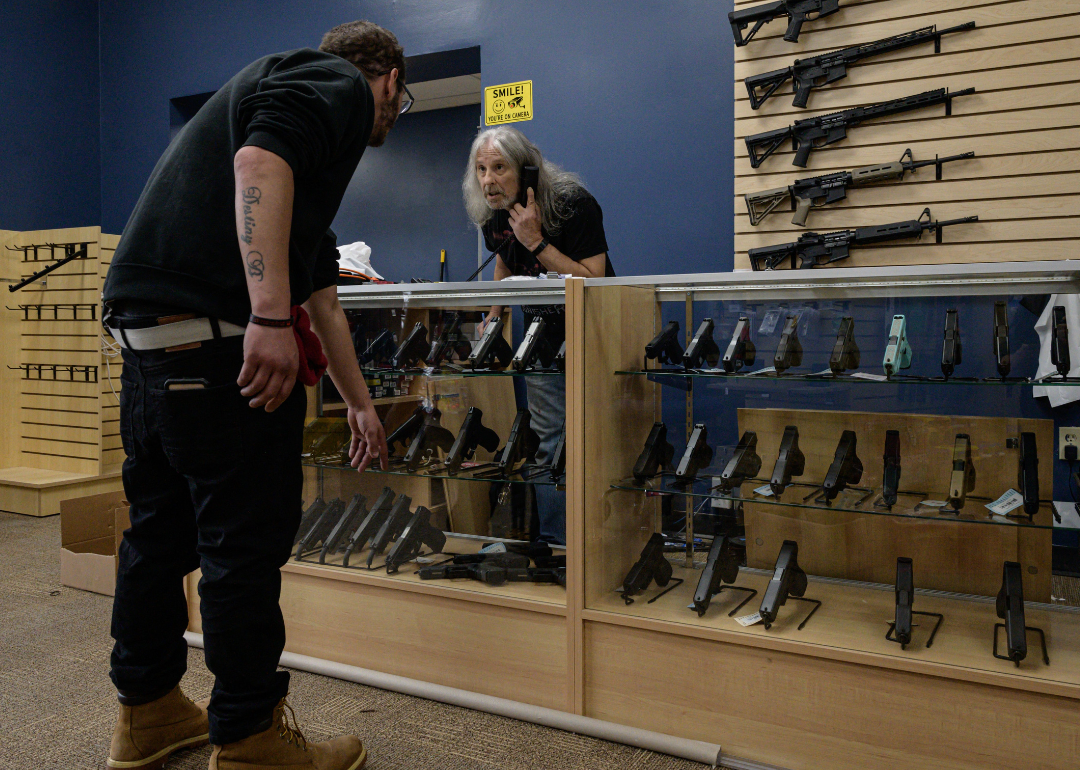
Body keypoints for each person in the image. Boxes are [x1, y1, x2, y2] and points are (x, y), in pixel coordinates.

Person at [100, 20, 404, 770]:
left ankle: (146, 713)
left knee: (157, 537)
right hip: (220, 344)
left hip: (149, 344)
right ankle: (249, 737)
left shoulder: (304, 161)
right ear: (390, 79)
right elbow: (258, 160)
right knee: (242, 545)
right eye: (400, 99)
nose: (395, 115)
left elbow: (324, 298)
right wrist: (268, 316)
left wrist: (359, 403)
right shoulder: (333, 82)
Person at [463, 126, 614, 545]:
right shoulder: (493, 215)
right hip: (543, 343)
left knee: (600, 439)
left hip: (597, 335)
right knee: (551, 444)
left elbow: (592, 279)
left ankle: (601, 547)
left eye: (499, 168)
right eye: (481, 170)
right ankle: (557, 544)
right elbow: (505, 262)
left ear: (527, 171)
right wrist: (493, 317)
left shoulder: (573, 204)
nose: (488, 181)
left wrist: (536, 240)